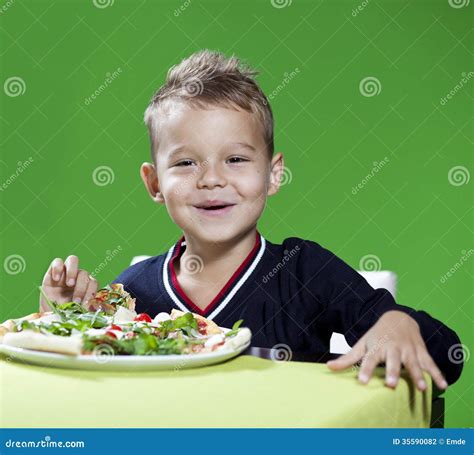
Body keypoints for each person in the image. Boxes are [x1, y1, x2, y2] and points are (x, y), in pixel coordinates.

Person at [39, 49, 463, 389]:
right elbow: (88, 391)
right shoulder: (132, 293)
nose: (211, 179)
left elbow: (448, 357)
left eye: (236, 159)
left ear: (273, 174)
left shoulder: (305, 273)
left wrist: (398, 323)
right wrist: (61, 324)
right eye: (186, 163)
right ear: (154, 183)